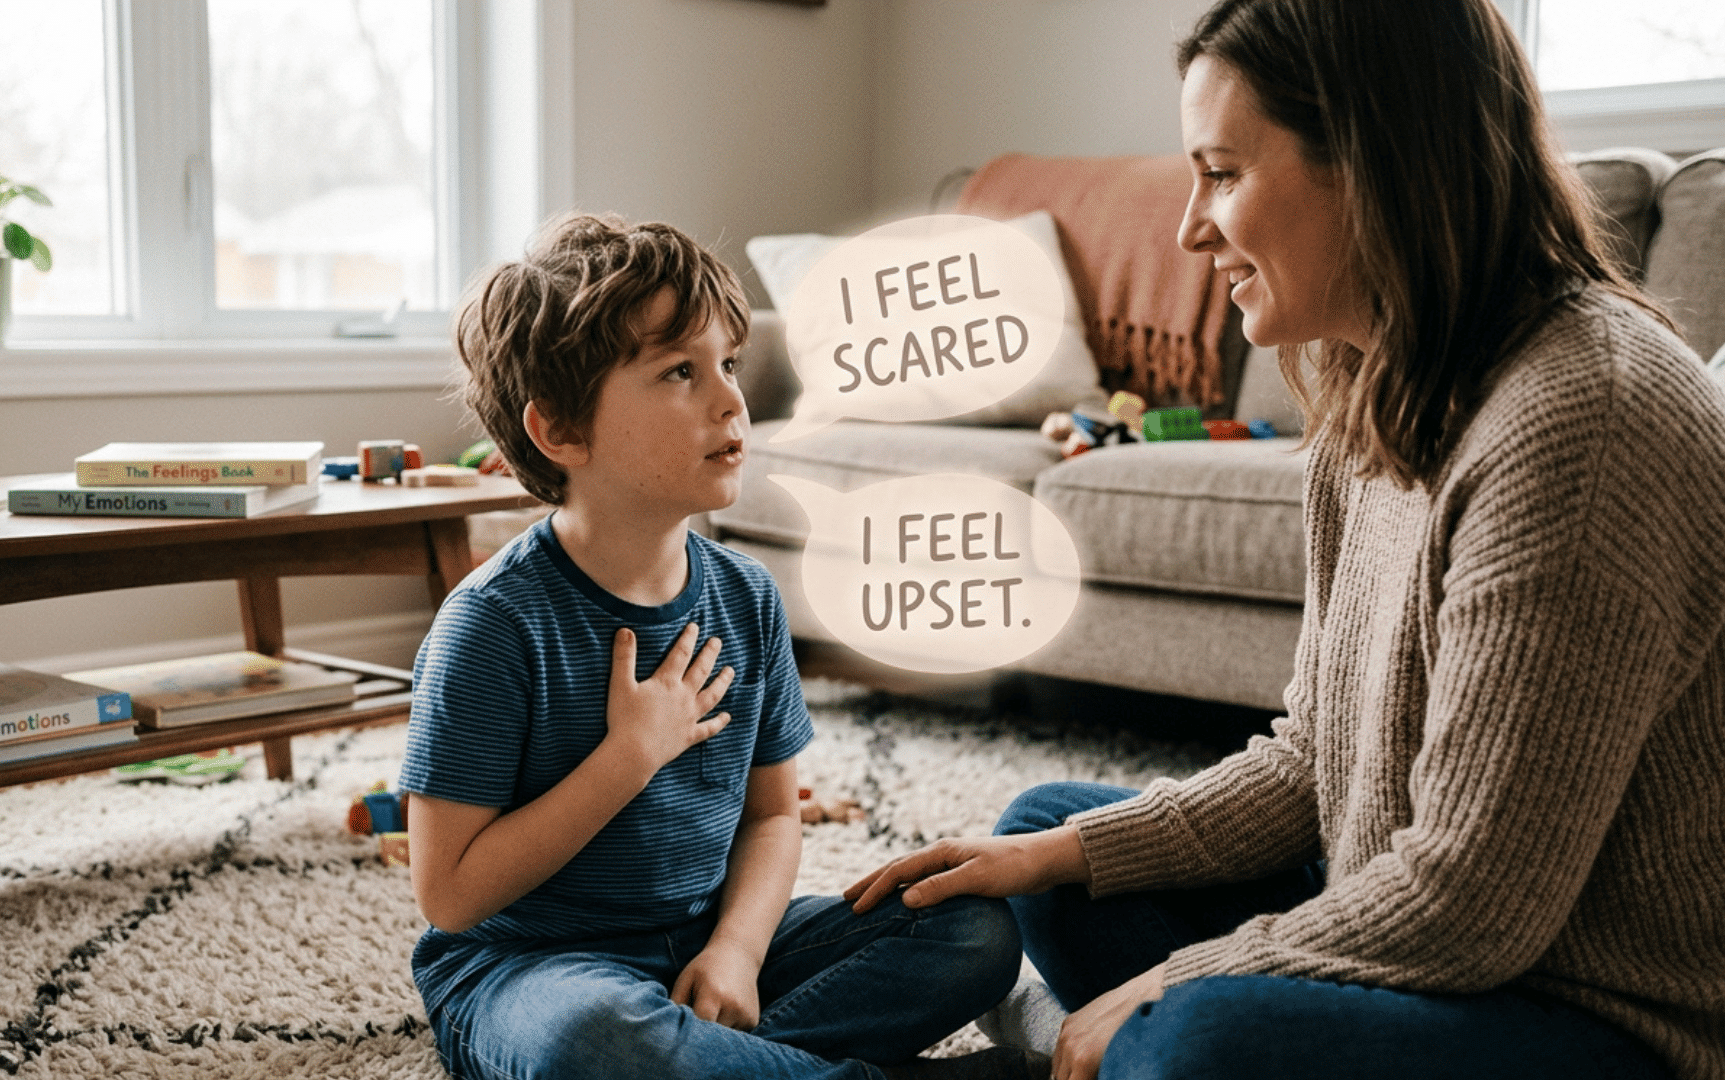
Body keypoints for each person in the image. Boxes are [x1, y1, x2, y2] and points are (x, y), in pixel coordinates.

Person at [847, 2, 1725, 1078]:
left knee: (1197, 1042)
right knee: (1051, 846)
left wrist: (1187, 975)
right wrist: (1057, 855)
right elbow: (1316, 762)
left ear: (1375, 163)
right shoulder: (1371, 383)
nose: (1189, 229)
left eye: (1222, 173)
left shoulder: (1588, 418)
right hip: (1417, 925)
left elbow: (1470, 900)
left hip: (1600, 1011)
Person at [401, 213, 1039, 1080]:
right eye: (679, 372)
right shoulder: (492, 623)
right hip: (529, 972)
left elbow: (775, 815)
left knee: (972, 928)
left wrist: (738, 950)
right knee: (590, 1045)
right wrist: (628, 756)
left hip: (706, 940)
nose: (731, 399)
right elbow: (450, 893)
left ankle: (718, 1062)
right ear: (560, 433)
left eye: (728, 364)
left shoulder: (745, 597)